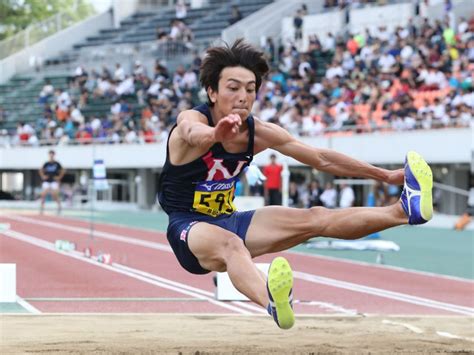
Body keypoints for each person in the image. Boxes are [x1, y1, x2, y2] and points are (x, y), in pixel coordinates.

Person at [157, 39, 433, 330]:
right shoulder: (191, 120)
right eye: (233, 88)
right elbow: (192, 133)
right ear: (212, 92)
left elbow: (321, 159)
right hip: (188, 227)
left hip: (229, 219)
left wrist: (384, 175)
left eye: (250, 89)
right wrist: (216, 134)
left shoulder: (259, 132)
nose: (243, 97)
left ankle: (404, 211)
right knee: (231, 246)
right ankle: (273, 303)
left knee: (315, 218)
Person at [39, 150, 65, 214]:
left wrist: (59, 177)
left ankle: (59, 207)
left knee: (55, 195)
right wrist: (43, 176)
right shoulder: (46, 163)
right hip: (47, 181)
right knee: (43, 194)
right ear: (49, 155)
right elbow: (41, 170)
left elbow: (62, 170)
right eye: (50, 154)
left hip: (54, 181)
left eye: (52, 154)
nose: (51, 156)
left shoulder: (57, 164)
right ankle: (42, 209)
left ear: (54, 155)